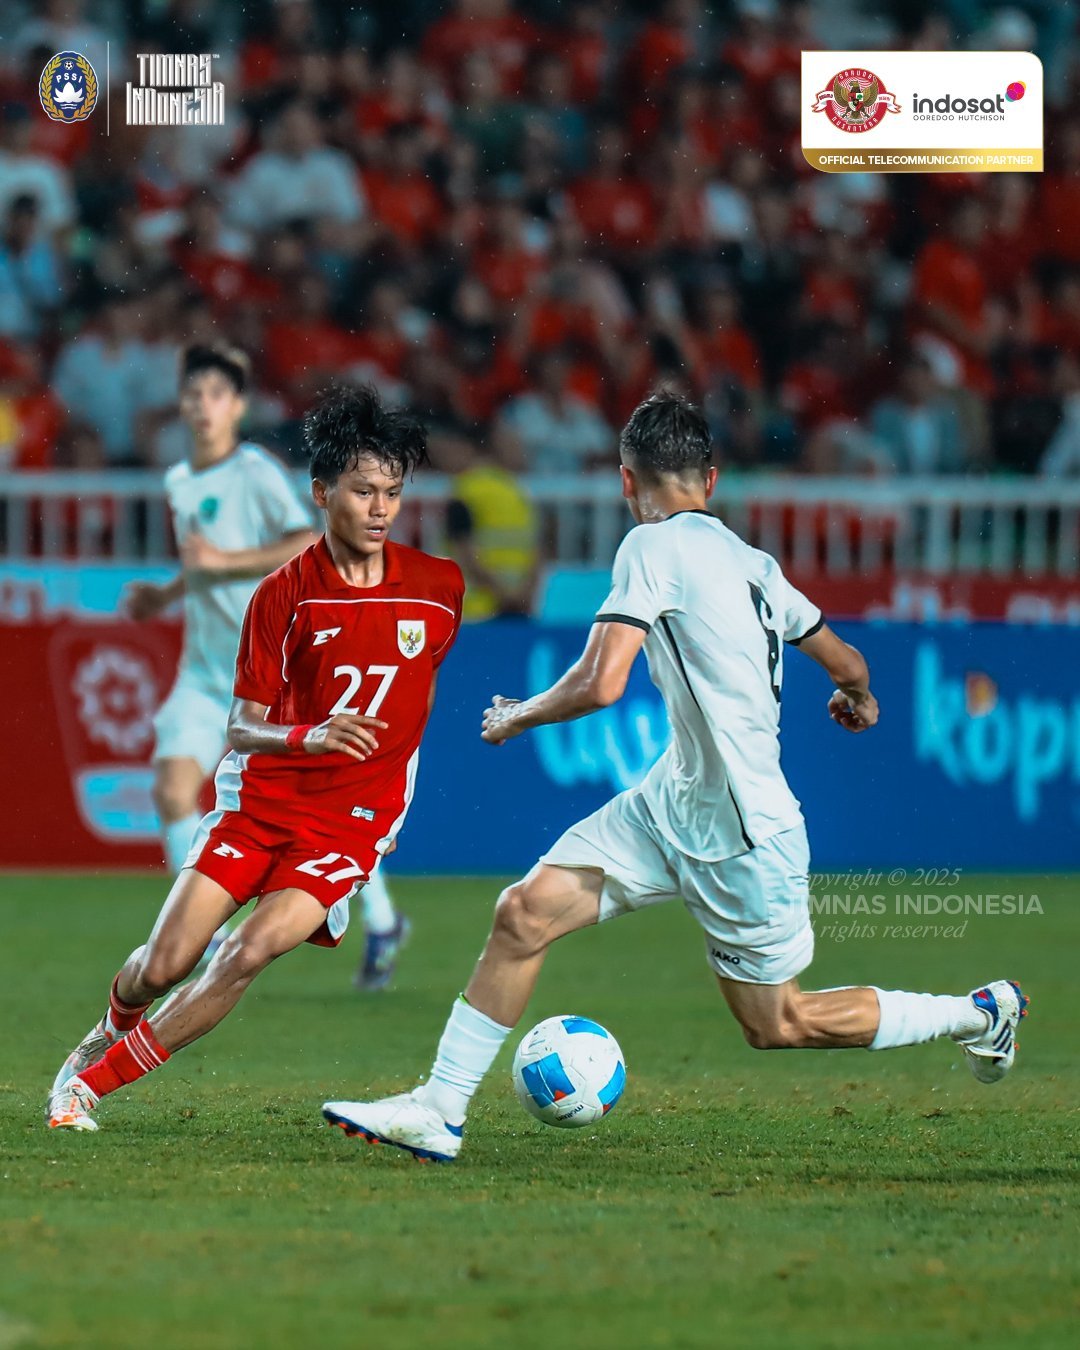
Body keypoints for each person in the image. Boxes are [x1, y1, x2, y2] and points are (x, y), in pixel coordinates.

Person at [321, 391, 1029, 1163]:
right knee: (523, 914)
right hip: (673, 803)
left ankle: (978, 1012)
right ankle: (440, 1109)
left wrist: (518, 714)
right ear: (711, 480)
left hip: (743, 835)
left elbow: (601, 683)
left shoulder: (651, 548)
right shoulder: (755, 564)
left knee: (777, 1024)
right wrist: (855, 697)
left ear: (628, 483)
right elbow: (849, 661)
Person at [47, 385, 464, 1131]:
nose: (379, 509)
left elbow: (418, 695)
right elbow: (242, 727)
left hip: (348, 824)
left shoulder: (439, 590)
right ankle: (110, 1024)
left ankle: (90, 1088)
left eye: (392, 493)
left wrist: (386, 795)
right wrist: (312, 736)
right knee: (165, 963)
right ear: (321, 492)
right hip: (260, 803)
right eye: (362, 491)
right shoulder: (284, 595)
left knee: (247, 951)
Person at [123, 343, 317, 955]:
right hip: (204, 674)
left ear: (238, 406)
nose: (202, 405)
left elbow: (305, 540)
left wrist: (223, 563)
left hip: (268, 676)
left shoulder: (254, 470)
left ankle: (385, 920)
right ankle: (203, 938)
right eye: (194, 393)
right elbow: (202, 563)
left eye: (216, 394)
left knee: (310, 817)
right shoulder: (179, 481)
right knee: (173, 791)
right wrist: (165, 595)